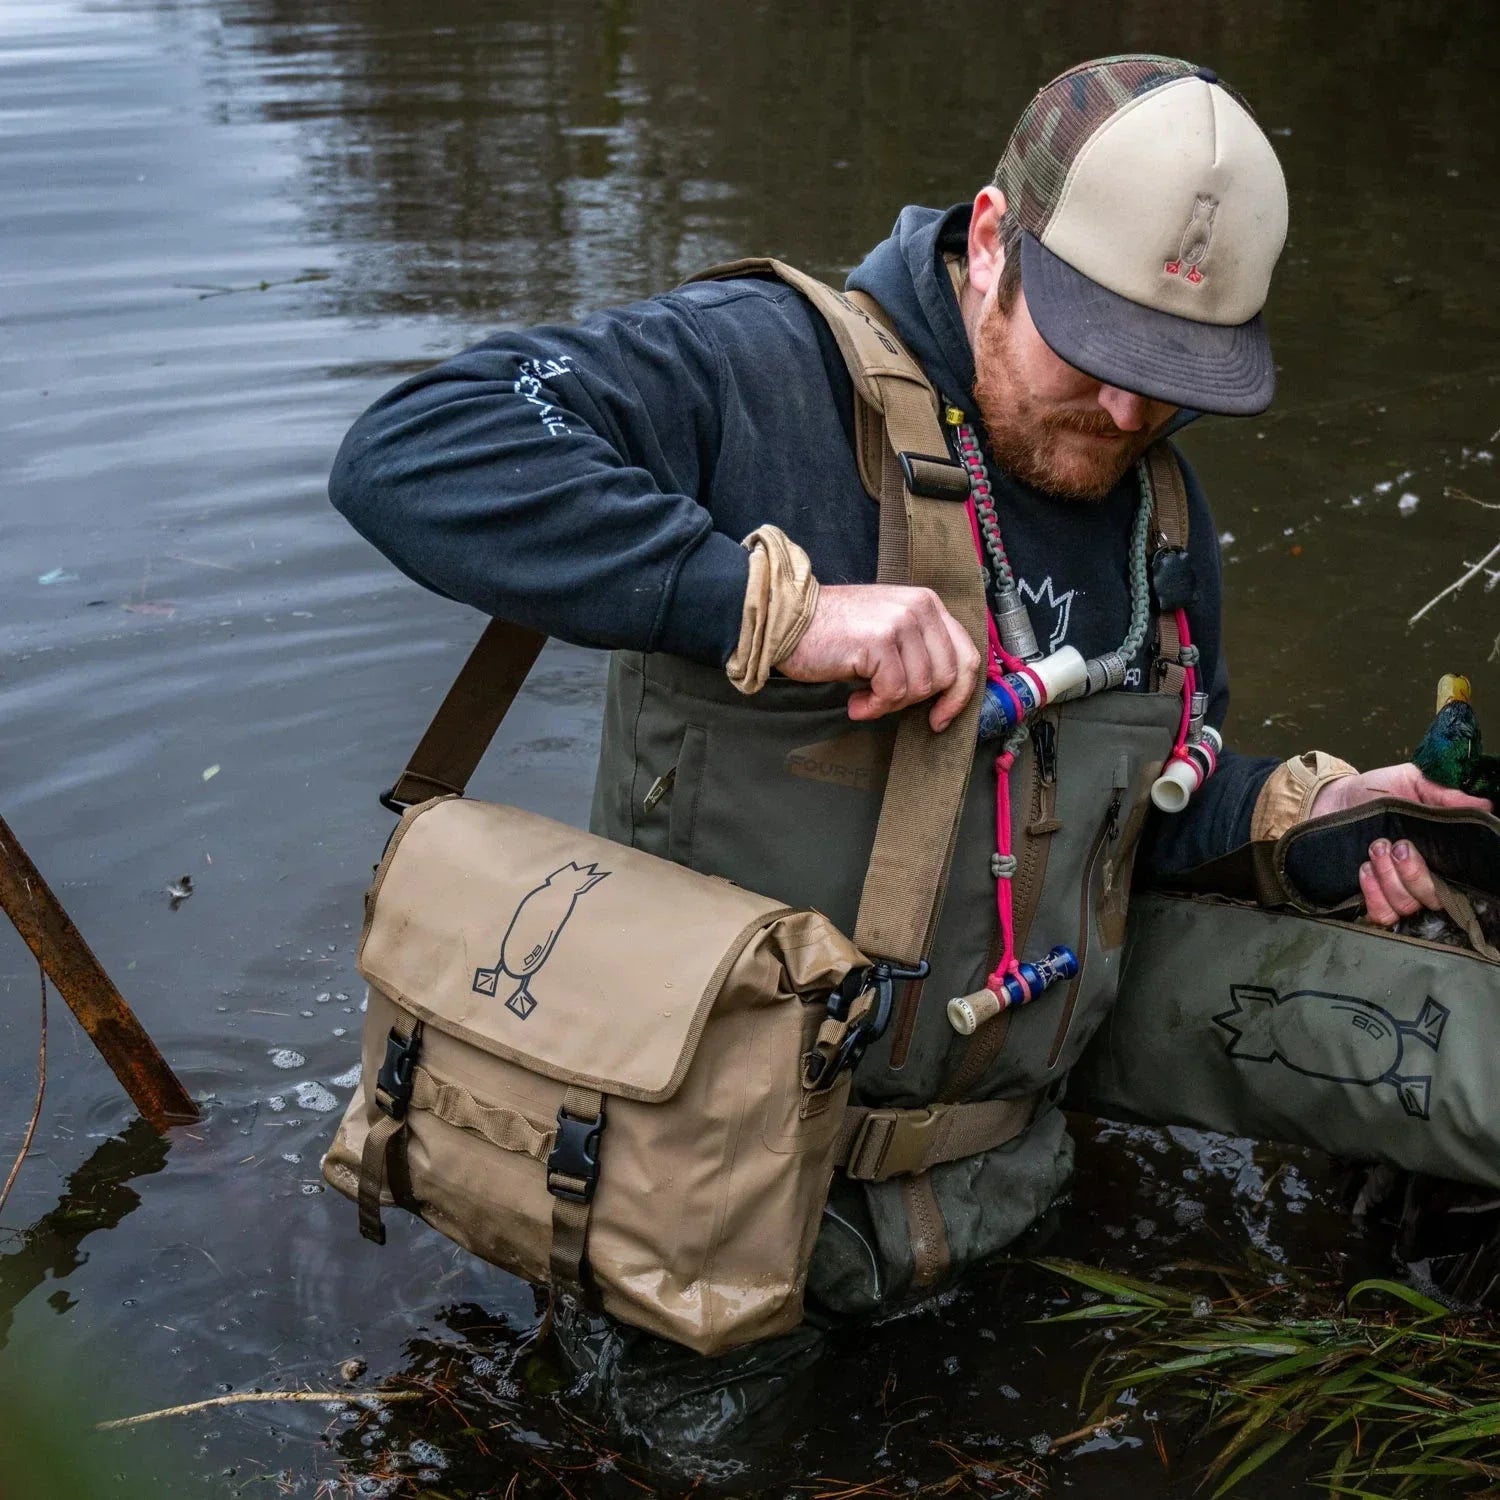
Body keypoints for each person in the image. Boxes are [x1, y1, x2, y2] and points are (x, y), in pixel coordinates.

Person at [329, 54, 1492, 1425]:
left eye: (1175, 378)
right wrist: (773, 608)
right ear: (994, 240)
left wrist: (1292, 821)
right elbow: (414, 450)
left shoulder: (1162, 520)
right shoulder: (759, 371)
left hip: (1004, 1210)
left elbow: (1122, 823)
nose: (1130, 416)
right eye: (1101, 353)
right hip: (697, 1244)